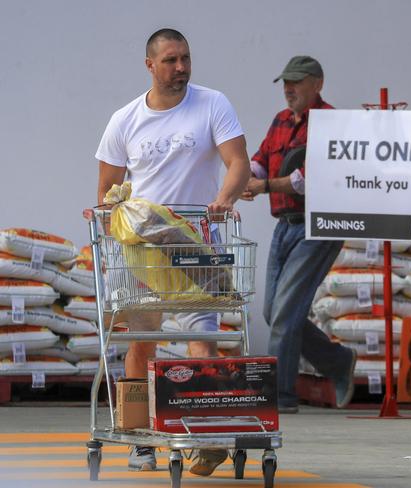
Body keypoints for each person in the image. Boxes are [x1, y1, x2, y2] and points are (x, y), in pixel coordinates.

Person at [95, 28, 250, 475]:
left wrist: (225, 198)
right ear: (150, 65)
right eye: (170, 61)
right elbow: (107, 189)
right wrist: (109, 211)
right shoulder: (124, 120)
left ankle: (207, 437)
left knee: (202, 338)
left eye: (185, 59)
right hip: (144, 251)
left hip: (198, 245)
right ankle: (140, 438)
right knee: (143, 342)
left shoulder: (212, 103)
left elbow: (238, 161)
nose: (180, 68)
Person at [242, 56, 356, 413]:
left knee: (286, 312)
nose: (289, 89)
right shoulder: (280, 121)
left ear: (317, 84)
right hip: (285, 225)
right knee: (272, 312)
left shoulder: (329, 122)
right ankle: (337, 362)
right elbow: (261, 157)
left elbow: (308, 179)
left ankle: (279, 397)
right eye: (285, 82)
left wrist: (261, 186)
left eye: (297, 82)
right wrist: (245, 175)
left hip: (317, 225)